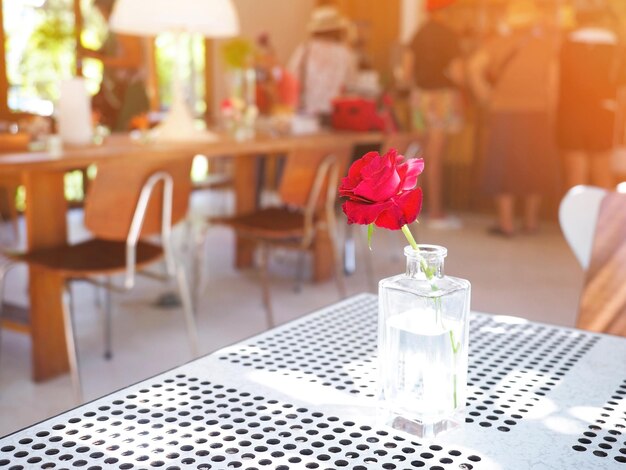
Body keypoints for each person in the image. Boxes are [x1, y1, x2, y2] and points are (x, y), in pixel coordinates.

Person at [467, 0, 559, 237]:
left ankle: (506, 223)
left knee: (504, 167)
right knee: (534, 166)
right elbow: (553, 83)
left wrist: (486, 96)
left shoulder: (497, 43)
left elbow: (473, 68)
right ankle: (531, 222)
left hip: (504, 111)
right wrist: (550, 110)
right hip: (537, 111)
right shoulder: (546, 45)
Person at [404, 0, 465, 229]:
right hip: (441, 99)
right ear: (446, 10)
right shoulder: (449, 35)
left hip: (420, 98)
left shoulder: (418, 34)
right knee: (435, 156)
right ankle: (436, 214)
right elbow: (459, 73)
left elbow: (407, 70)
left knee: (419, 157)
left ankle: (412, 212)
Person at [555, 0, 626, 189]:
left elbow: (552, 82)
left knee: (575, 175)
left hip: (571, 114)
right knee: (602, 173)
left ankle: (575, 219)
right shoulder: (618, 47)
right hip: (604, 114)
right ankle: (608, 219)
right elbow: (622, 90)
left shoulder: (564, 43)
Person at [78, 0, 150, 132]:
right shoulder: (113, 30)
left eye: (101, 12)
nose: (101, 16)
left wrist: (101, 59)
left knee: (126, 133)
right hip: (119, 93)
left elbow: (135, 60)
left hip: (131, 92)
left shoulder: (124, 27)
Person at [287, 6, 357, 124]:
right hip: (336, 117)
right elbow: (352, 87)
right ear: (337, 30)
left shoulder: (305, 50)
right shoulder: (345, 54)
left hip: (307, 117)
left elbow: (291, 80)